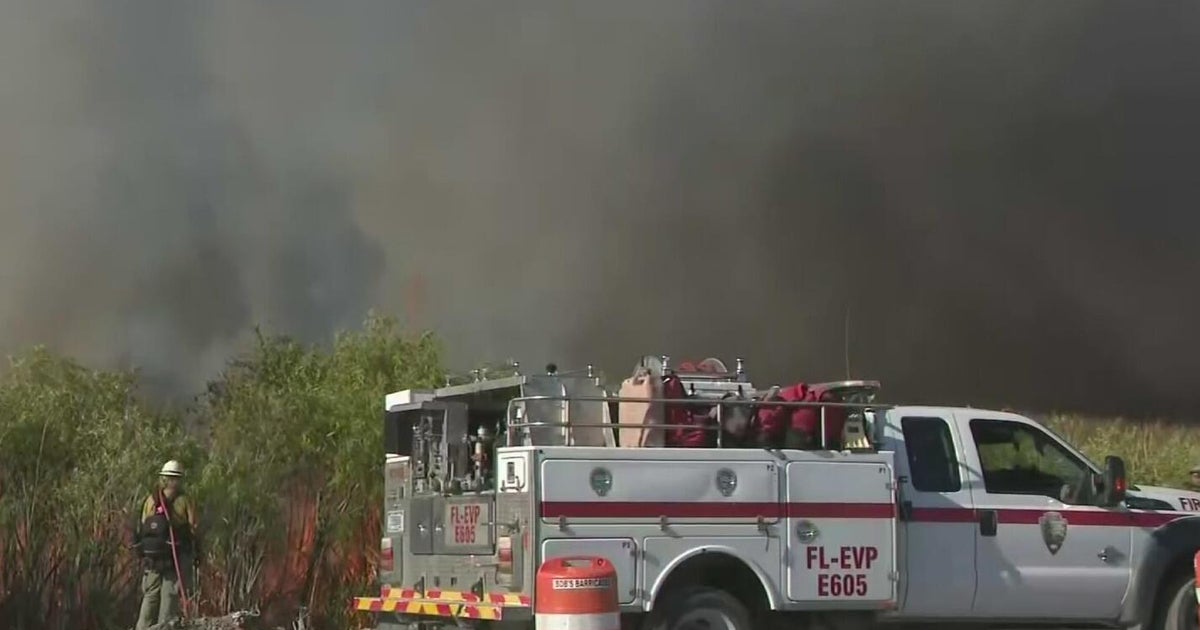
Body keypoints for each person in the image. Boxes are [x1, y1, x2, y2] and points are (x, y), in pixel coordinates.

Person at [133, 460, 200, 630]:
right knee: (169, 596)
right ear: (178, 480)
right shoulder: (185, 501)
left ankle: (143, 627)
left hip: (152, 557)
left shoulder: (151, 500)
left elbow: (143, 525)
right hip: (174, 556)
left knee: (150, 596)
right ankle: (164, 627)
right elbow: (194, 526)